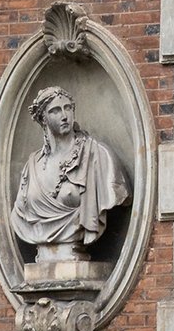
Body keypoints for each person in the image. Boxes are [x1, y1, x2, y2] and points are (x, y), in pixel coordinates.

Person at [13, 82, 128, 273]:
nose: (64, 115)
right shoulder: (31, 166)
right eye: (55, 111)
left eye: (68, 108)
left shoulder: (97, 156)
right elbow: (21, 212)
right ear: (43, 119)